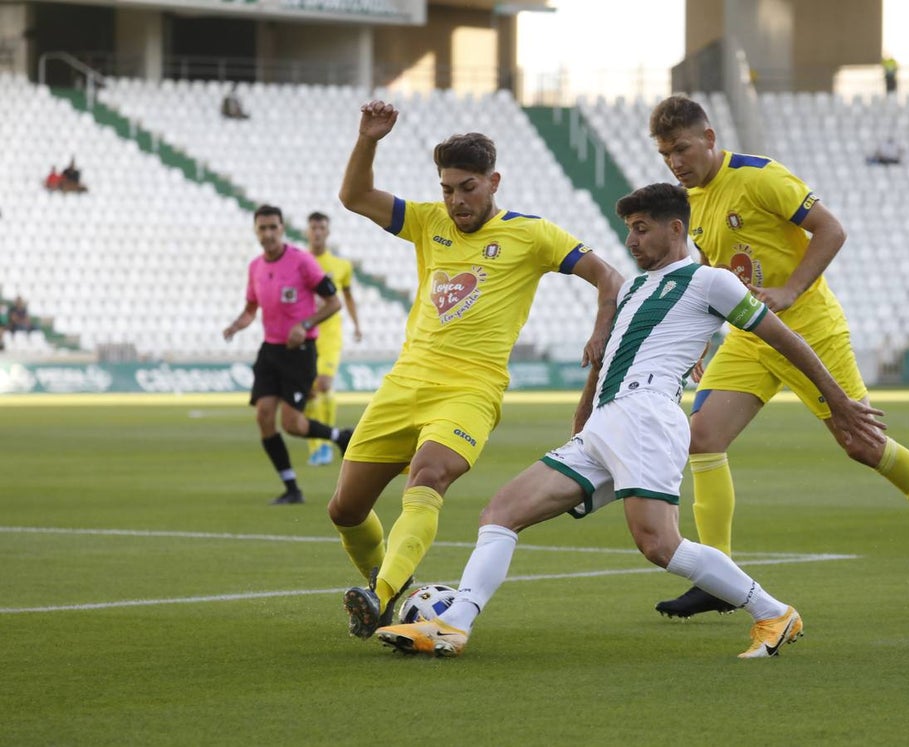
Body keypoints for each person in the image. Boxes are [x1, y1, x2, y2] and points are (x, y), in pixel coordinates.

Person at [373, 183, 888, 659]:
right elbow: (609, 357)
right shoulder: (635, 288)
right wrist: (582, 415)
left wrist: (839, 402)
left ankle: (774, 614)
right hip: (604, 425)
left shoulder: (711, 281)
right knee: (499, 512)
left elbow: (785, 338)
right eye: (628, 229)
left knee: (659, 545)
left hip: (647, 418)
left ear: (676, 229)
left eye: (641, 228)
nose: (631, 239)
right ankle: (454, 625)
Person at [645, 94, 909, 619]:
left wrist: (791, 289)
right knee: (703, 438)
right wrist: (704, 339)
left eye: (682, 148)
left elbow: (832, 229)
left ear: (710, 138)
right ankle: (720, 577)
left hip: (810, 330)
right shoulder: (691, 201)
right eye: (666, 152)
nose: (675, 161)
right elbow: (714, 270)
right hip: (749, 336)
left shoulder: (760, 177)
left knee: (863, 445)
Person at [332, 100, 624, 640]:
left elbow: (608, 276)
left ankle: (381, 594)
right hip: (404, 382)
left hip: (471, 388)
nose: (455, 200)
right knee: (345, 510)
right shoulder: (426, 221)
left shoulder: (532, 235)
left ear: (494, 181)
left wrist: (600, 331)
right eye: (447, 188)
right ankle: (390, 580)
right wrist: (368, 138)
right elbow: (353, 197)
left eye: (467, 187)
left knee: (429, 476)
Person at [222, 204, 357, 505]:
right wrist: (236, 325)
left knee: (293, 425)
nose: (268, 233)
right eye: (262, 228)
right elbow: (250, 310)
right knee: (264, 416)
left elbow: (333, 303)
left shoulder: (302, 262)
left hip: (300, 352)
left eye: (273, 227)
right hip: (270, 350)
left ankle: (341, 437)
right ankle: (291, 487)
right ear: (256, 231)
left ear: (282, 228)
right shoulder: (256, 266)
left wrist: (306, 324)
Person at [302, 211, 363, 467]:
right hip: (304, 334)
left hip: (329, 335)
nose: (317, 232)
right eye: (313, 228)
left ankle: (326, 444)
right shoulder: (299, 261)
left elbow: (347, 296)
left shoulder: (341, 265)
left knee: (324, 384)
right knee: (308, 393)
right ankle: (316, 445)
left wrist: (357, 324)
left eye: (321, 228)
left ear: (327, 232)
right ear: (308, 231)